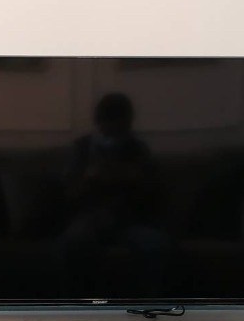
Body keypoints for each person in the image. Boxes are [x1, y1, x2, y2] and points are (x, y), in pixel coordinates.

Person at [61, 93, 168, 293]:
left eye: (120, 131)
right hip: (90, 218)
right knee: (74, 243)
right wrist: (90, 178)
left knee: (156, 245)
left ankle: (148, 306)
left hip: (129, 220)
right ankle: (81, 305)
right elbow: (69, 195)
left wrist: (133, 178)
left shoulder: (138, 149)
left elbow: (153, 194)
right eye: (108, 130)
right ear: (99, 124)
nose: (113, 138)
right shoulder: (81, 149)